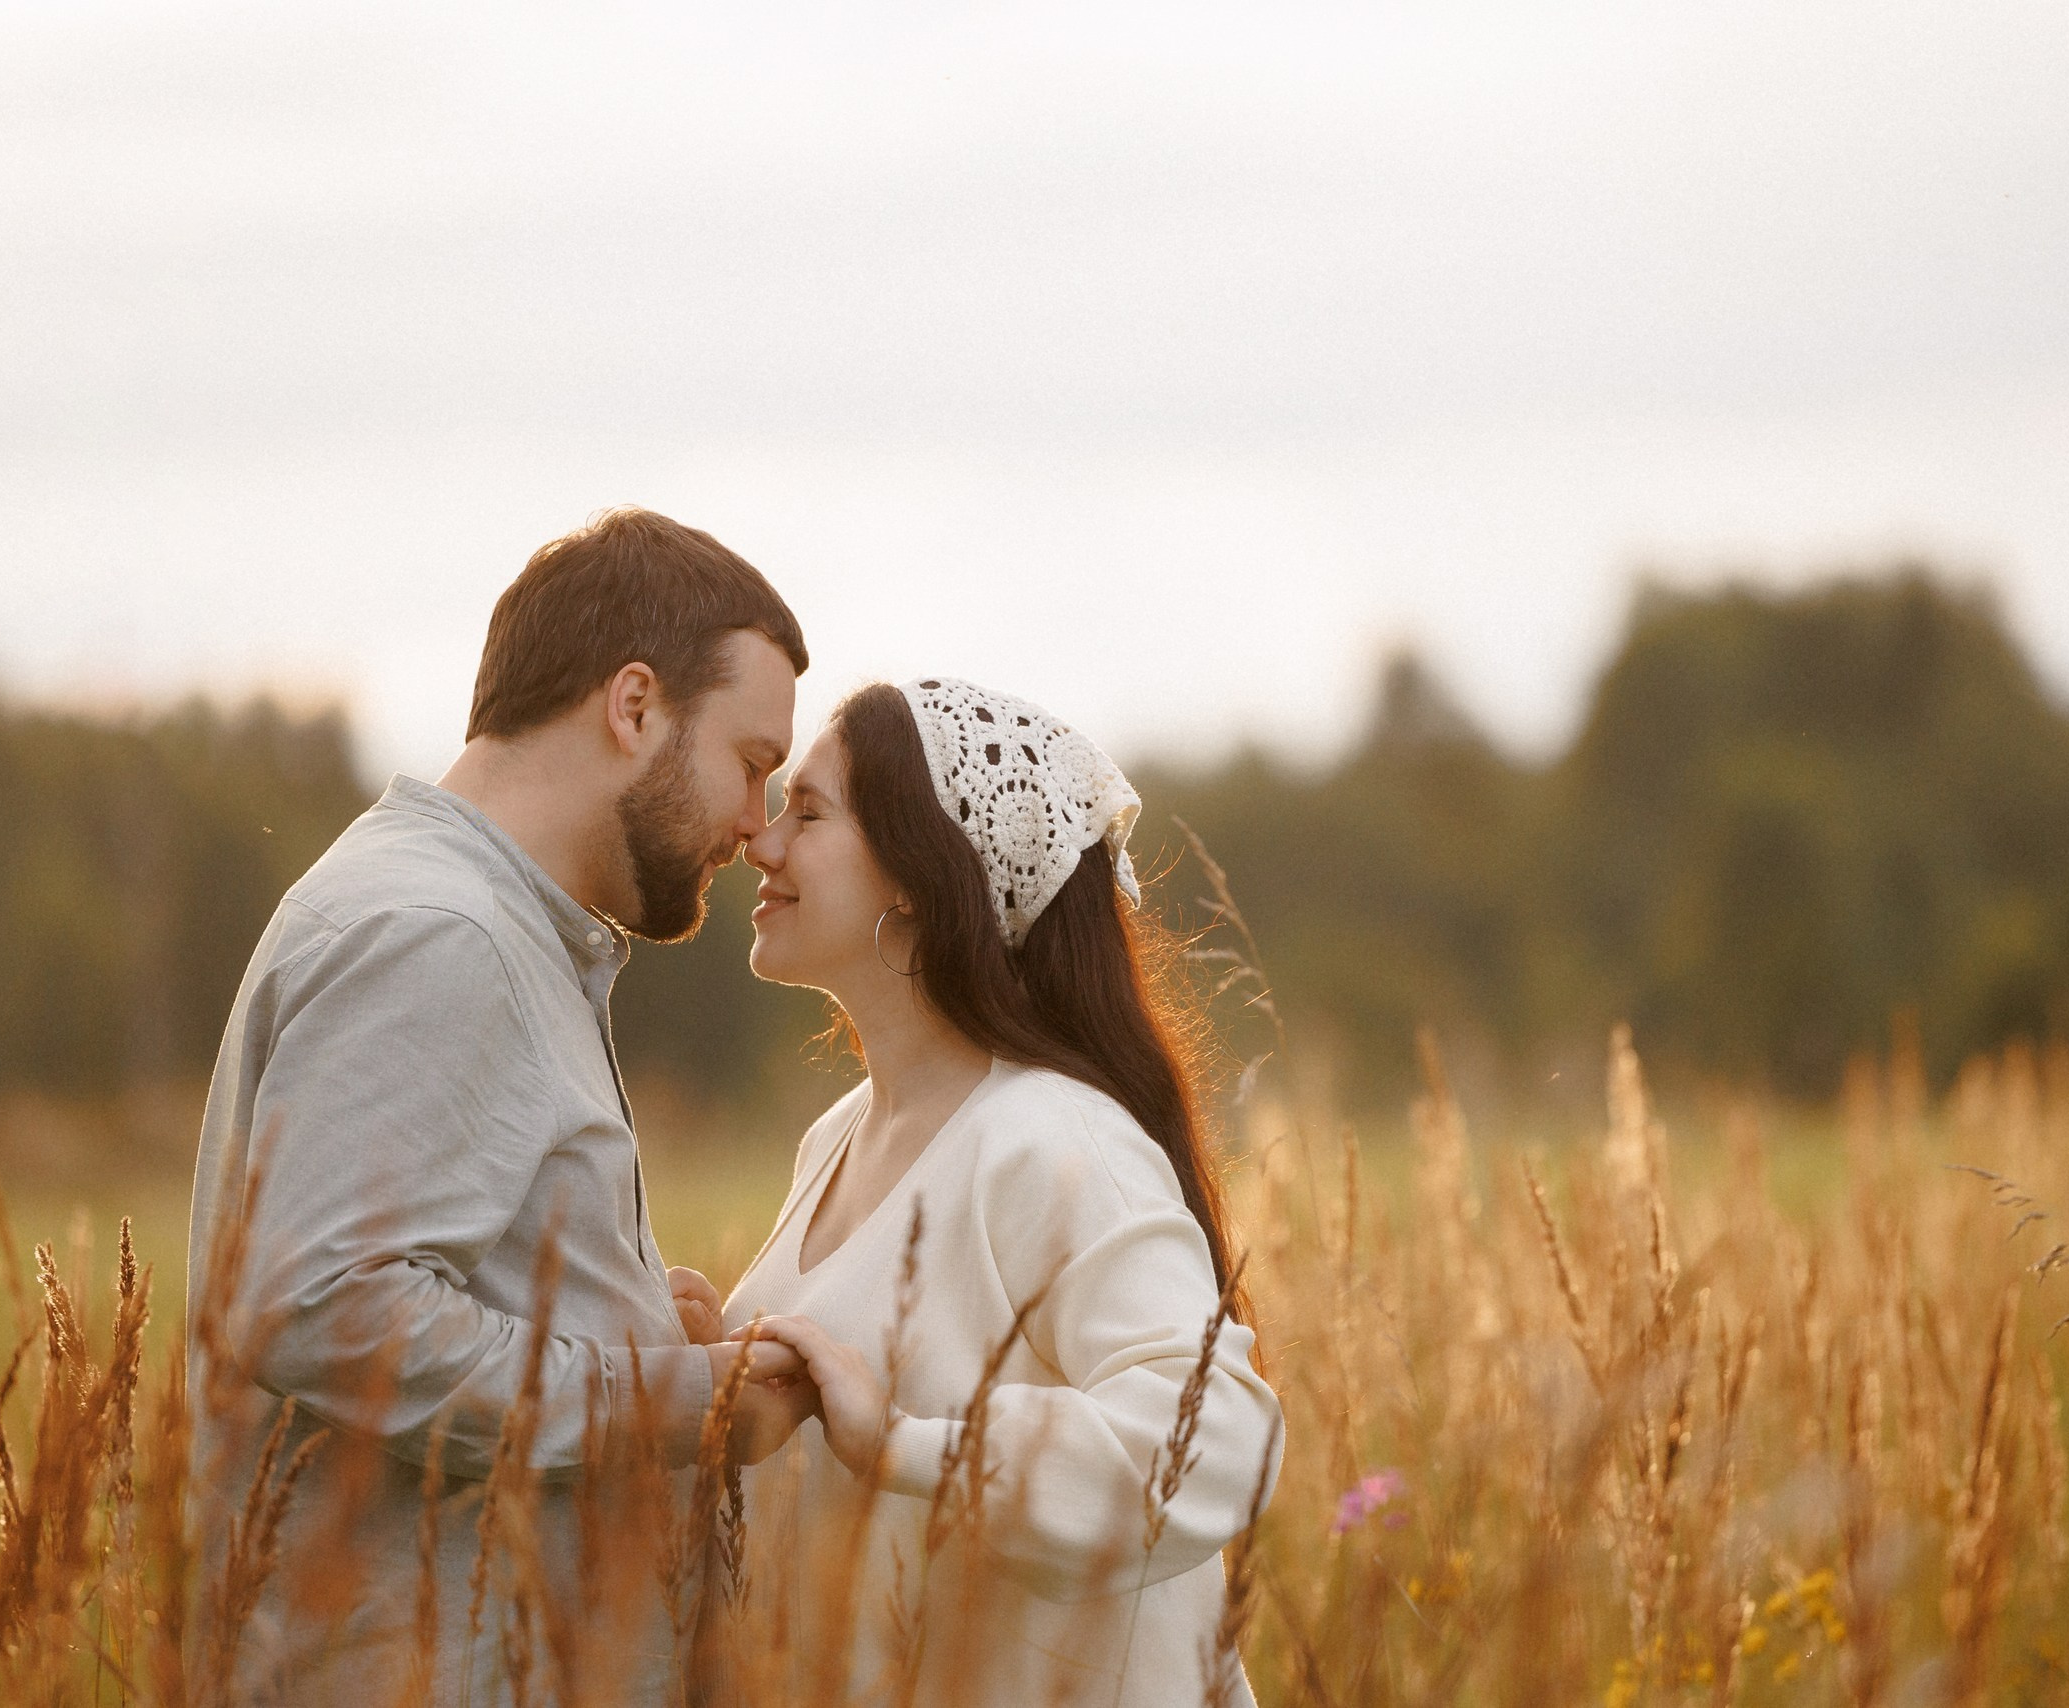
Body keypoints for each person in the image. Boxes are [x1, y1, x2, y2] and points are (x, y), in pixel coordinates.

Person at [185, 507, 817, 1706]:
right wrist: (687, 1402)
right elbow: (323, 1309)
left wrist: (623, 1303)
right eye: (751, 764)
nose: (755, 824)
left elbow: (397, 1271)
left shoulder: (484, 922)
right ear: (634, 708)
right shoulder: (440, 933)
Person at [725, 677, 1283, 1706]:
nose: (758, 845)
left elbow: (1214, 1440)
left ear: (920, 875)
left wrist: (900, 1444)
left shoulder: (1051, 1138)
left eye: (806, 813)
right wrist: (707, 1361)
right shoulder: (834, 1137)